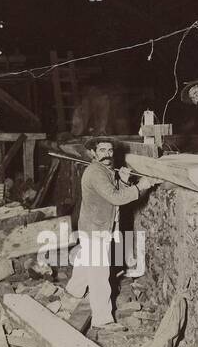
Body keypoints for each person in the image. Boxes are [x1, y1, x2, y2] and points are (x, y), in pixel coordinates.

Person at [66, 139, 157, 326]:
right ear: (92, 152)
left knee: (86, 261)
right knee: (100, 276)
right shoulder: (95, 172)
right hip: (96, 229)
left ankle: (74, 291)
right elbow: (115, 198)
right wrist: (141, 186)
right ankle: (102, 320)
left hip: (94, 226)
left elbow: (111, 194)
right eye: (102, 150)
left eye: (110, 150)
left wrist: (123, 181)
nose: (107, 154)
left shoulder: (104, 170)